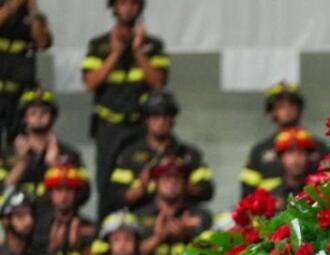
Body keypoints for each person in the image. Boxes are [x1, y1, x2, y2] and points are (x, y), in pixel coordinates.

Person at [82, 0, 169, 217]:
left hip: (140, 127)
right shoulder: (98, 45)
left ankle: (138, 232)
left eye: (132, 4)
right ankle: (105, 236)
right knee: (107, 182)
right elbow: (90, 83)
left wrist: (138, 52)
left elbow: (158, 82)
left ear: (139, 8)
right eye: (122, 4)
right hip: (109, 127)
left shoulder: (153, 45)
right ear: (113, 8)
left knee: (141, 179)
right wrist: (116, 53)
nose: (128, 9)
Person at [109, 90, 214, 216]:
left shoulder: (189, 154)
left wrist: (180, 182)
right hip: (142, 219)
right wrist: (142, 185)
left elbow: (207, 191)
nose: (162, 121)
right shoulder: (129, 156)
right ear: (146, 121)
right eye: (156, 116)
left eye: (166, 116)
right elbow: (116, 197)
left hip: (183, 215)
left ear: (174, 121)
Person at [0, 89, 89, 206]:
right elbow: (2, 192)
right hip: (19, 217)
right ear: (24, 118)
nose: (39, 117)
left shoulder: (70, 154)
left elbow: (84, 193)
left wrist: (55, 166)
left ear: (53, 117)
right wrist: (21, 163)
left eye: (44, 112)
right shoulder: (8, 154)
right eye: (33, 113)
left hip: (53, 218)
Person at [241, 81, 324, 198]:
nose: (287, 110)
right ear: (272, 111)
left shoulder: (319, 147)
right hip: (272, 212)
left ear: (300, 108)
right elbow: (247, 193)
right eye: (281, 106)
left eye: (291, 105)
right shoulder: (259, 150)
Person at [129, 154, 212, 255]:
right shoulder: (137, 217)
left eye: (177, 177)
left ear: (185, 183)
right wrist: (158, 238)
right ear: (155, 182)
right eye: (166, 177)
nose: (172, 182)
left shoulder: (201, 216)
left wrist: (186, 236)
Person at [0, 0, 50, 149]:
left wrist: (33, 10)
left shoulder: (34, 16)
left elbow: (42, 42)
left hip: (21, 92)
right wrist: (11, 7)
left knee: (19, 143)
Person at [264, 127, 319, 202]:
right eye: (290, 153)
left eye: (301, 152)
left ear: (309, 157)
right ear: (280, 158)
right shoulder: (271, 197)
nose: (296, 158)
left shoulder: (318, 193)